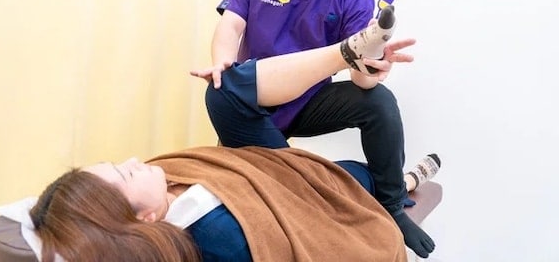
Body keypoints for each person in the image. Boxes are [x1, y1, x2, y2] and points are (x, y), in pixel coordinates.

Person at [190, 0, 436, 258]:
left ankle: (391, 203)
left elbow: (362, 83)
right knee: (221, 89)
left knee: (379, 101)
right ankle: (367, 182)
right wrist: (222, 61)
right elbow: (231, 25)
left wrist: (372, 67)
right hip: (253, 104)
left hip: (307, 102)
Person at [32, 37, 440, 262]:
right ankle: (400, 188)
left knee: (223, 88)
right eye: (126, 174)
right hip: (297, 180)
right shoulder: (220, 240)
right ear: (144, 220)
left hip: (279, 145)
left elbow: (365, 82)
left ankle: (345, 55)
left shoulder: (160, 183)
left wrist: (363, 64)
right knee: (355, 176)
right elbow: (317, 235)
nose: (135, 161)